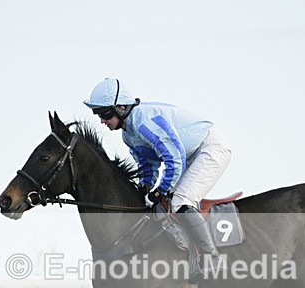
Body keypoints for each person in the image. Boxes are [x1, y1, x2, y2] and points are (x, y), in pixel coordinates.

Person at [83, 78, 232, 275]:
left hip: (210, 148)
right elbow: (148, 165)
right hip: (190, 154)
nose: (102, 120)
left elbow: (174, 159)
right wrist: (146, 188)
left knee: (180, 201)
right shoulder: (128, 134)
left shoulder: (144, 122)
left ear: (121, 107)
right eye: (98, 114)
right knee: (164, 203)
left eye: (105, 114)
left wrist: (159, 190)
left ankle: (211, 258)